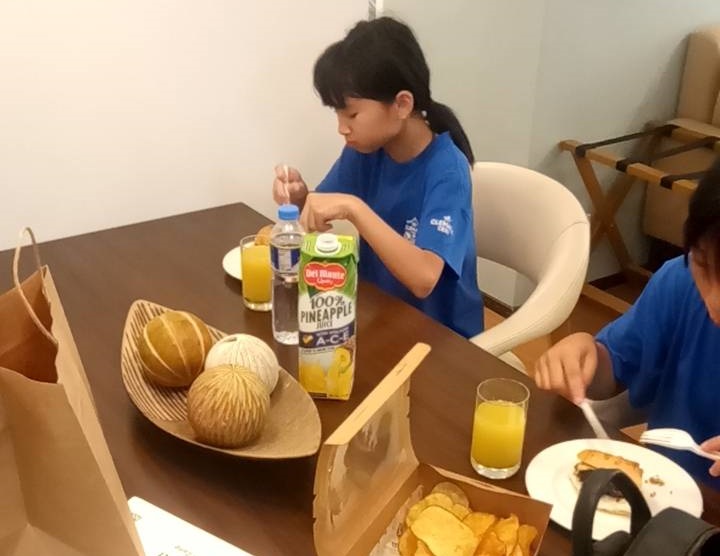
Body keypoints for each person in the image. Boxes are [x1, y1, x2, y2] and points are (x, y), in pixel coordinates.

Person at [271, 17, 483, 338]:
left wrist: (354, 208)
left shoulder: (447, 170)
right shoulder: (365, 150)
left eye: (352, 114)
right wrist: (300, 198)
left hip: (442, 338)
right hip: (381, 319)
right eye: (337, 114)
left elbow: (424, 279)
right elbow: (322, 210)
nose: (342, 128)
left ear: (401, 104)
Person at [533, 159, 720, 487]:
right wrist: (586, 356)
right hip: (657, 490)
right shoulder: (680, 283)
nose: (714, 301)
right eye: (704, 265)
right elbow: (614, 372)